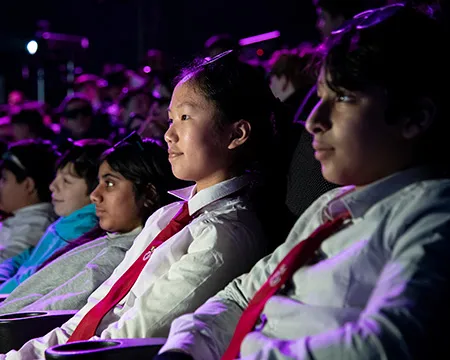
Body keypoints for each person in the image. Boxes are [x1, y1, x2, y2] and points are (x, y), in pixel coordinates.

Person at [154, 4, 450, 360]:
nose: (313, 121)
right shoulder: (330, 207)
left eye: (343, 98)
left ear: (415, 117)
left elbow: (386, 344)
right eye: (320, 97)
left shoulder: (433, 215)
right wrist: (183, 350)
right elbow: (240, 296)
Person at [3, 51, 277, 358]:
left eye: (185, 117)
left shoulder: (225, 233)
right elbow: (94, 312)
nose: (169, 134)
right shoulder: (168, 214)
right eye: (171, 119)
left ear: (236, 133)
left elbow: (133, 334)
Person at [0, 134, 179, 313]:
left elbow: (52, 309)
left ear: (149, 194)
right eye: (99, 183)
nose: (95, 195)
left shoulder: (123, 254)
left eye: (109, 183)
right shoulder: (105, 238)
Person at [0, 139, 110, 294]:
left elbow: (34, 282)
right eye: (56, 178)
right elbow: (25, 256)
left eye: (66, 181)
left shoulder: (81, 233)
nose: (53, 186)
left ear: (95, 190)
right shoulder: (66, 221)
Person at [0, 140, 58, 261]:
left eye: (4, 180)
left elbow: (7, 263)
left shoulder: (36, 226)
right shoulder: (24, 218)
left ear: (28, 185)